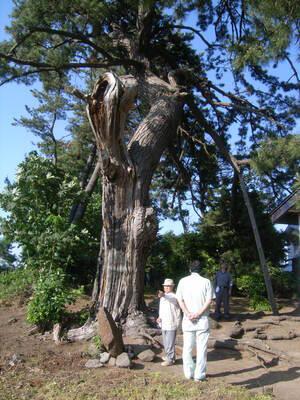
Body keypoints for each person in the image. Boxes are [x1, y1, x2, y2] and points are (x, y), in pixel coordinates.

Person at [176, 261, 213, 382]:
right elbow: (209, 301)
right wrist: (199, 313)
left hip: (188, 319)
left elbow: (180, 300)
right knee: (202, 349)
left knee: (187, 347)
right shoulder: (206, 281)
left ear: (190, 269)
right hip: (202, 319)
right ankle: (199, 375)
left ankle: (188, 373)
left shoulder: (183, 281)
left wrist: (187, 313)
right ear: (200, 269)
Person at [157, 278, 181, 366]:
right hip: (164, 322)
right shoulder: (163, 298)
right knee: (166, 342)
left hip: (172, 322)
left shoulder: (174, 296)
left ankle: (170, 359)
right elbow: (162, 309)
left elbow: (169, 298)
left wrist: (163, 295)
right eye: (165, 286)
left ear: (172, 287)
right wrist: (159, 317)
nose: (166, 287)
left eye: (168, 286)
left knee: (170, 342)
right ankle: (170, 356)